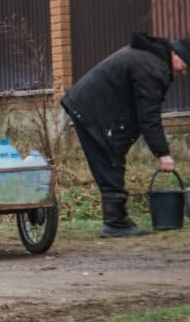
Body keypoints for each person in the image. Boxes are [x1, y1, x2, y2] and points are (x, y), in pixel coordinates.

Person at [61, 33, 189, 237]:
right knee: (109, 157)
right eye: (186, 65)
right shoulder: (152, 68)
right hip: (90, 109)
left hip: (95, 107)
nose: (184, 71)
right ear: (175, 54)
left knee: (113, 154)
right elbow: (149, 116)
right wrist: (163, 153)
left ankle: (118, 218)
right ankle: (114, 222)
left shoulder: (151, 60)